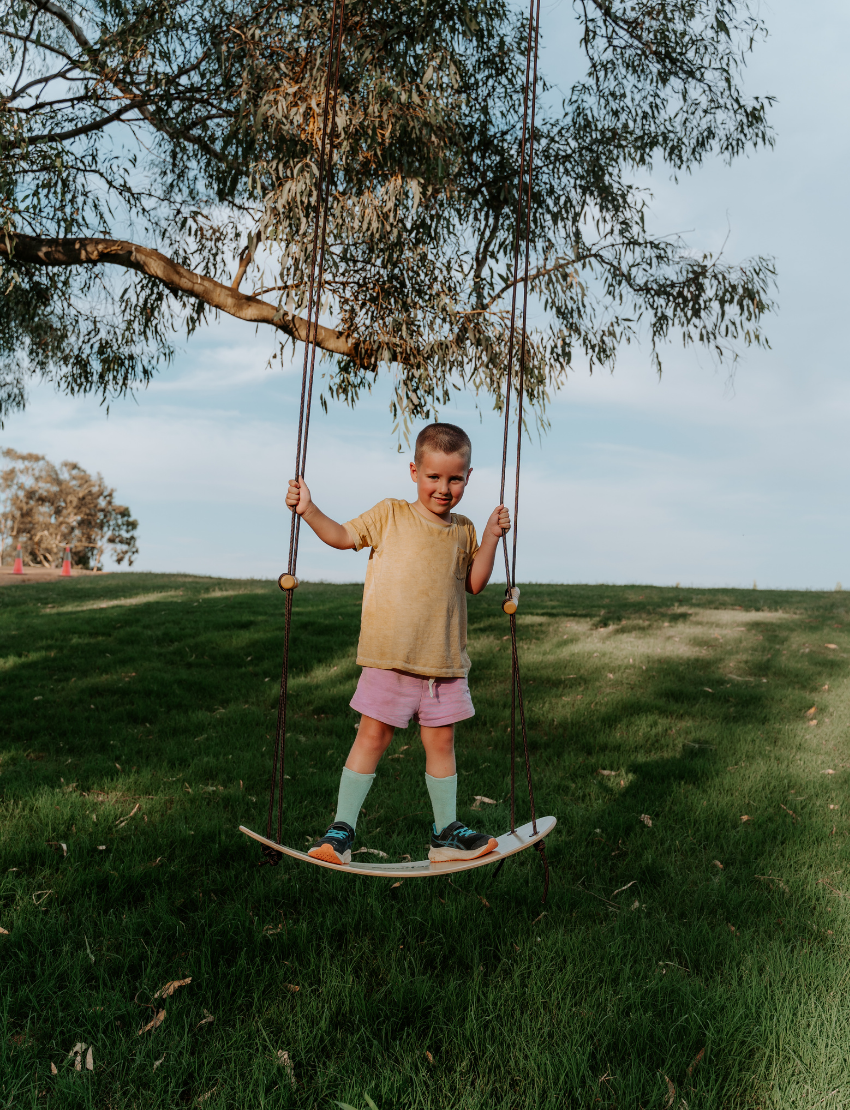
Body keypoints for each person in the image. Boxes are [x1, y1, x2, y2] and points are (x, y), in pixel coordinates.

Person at [284, 422, 510, 865]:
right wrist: (309, 511)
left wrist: (492, 538)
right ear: (414, 471)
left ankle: (445, 834)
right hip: (391, 660)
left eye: (455, 478)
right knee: (372, 736)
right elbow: (342, 537)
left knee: (441, 744)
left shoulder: (463, 530)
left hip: (443, 664)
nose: (443, 488)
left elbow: (475, 583)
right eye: (434, 477)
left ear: (467, 477)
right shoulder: (390, 514)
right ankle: (341, 831)